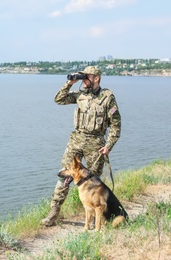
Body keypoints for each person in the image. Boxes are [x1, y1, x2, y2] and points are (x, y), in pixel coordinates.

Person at [41, 66, 121, 226]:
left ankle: (96, 218)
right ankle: (53, 214)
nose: (83, 80)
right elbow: (59, 99)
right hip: (76, 140)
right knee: (63, 175)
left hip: (96, 144)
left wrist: (108, 146)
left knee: (93, 183)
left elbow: (116, 124)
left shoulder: (107, 97)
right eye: (82, 77)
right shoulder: (80, 95)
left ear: (96, 78)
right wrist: (70, 83)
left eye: (86, 77)